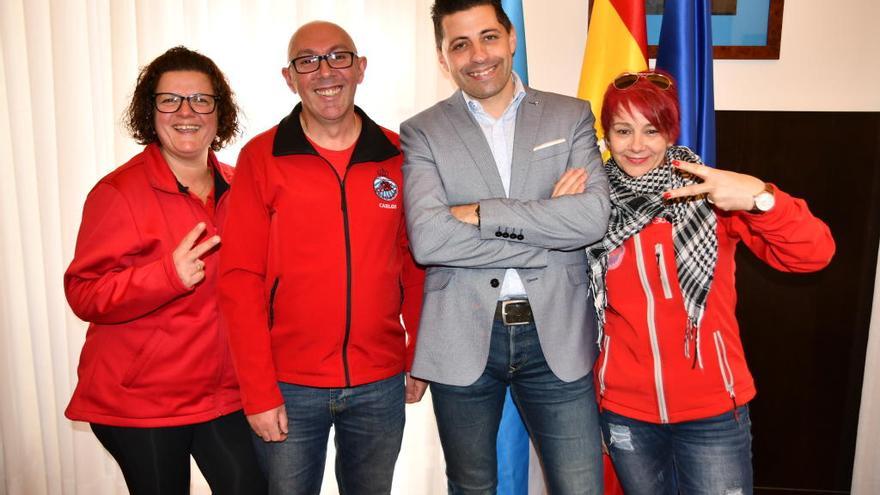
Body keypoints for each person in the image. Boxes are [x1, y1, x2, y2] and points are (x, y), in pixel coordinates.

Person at [587, 71, 835, 495]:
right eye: (623, 130)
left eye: (652, 129)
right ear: (606, 136)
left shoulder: (712, 193)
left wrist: (761, 197)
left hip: (713, 411)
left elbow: (813, 254)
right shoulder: (589, 206)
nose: (637, 145)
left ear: (670, 133)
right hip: (627, 413)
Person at [401, 1, 611, 492]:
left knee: (580, 484)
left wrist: (481, 213)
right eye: (460, 44)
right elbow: (429, 239)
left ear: (511, 38)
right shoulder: (422, 131)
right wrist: (547, 232)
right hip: (461, 336)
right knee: (472, 486)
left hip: (557, 334)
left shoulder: (571, 115)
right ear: (442, 57)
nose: (479, 55)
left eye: (489, 37)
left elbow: (591, 219)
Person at [217, 21, 425, 495]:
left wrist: (418, 354)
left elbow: (415, 265)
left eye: (338, 57)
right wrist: (257, 390)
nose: (325, 71)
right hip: (289, 385)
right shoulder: (261, 156)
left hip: (380, 380)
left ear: (361, 68)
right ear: (290, 77)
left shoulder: (397, 154)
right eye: (307, 61)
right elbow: (240, 279)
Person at [64, 46, 266, 494]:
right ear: (150, 111)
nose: (186, 111)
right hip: (142, 401)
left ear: (219, 110)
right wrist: (166, 277)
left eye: (200, 99)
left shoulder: (243, 185)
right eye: (169, 99)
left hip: (223, 394)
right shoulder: (117, 193)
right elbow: (84, 293)